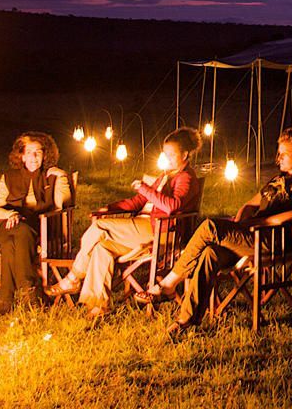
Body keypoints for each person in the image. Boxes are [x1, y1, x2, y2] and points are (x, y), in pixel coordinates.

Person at [134, 127, 292, 334]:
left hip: (276, 239)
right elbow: (250, 205)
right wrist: (239, 223)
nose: (279, 157)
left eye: (284, 153)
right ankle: (185, 321)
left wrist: (262, 223)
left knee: (209, 227)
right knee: (209, 254)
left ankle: (168, 285)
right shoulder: (277, 181)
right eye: (279, 152)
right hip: (253, 236)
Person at [44, 127, 201, 317]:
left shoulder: (186, 177)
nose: (166, 158)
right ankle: (97, 307)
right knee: (102, 248)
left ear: (185, 154)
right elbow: (138, 202)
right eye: (164, 153)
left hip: (162, 233)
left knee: (100, 226)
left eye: (171, 154)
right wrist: (111, 208)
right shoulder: (166, 175)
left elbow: (173, 206)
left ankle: (73, 277)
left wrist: (145, 189)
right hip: (146, 229)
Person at [0, 132, 72, 313]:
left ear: (45, 155)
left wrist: (60, 176)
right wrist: (11, 215)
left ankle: (5, 299)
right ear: (22, 156)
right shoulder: (9, 177)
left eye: (38, 153)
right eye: (29, 152)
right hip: (5, 226)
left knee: (10, 245)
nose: (33, 157)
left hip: (34, 228)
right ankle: (28, 292)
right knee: (19, 231)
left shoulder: (52, 176)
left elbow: (61, 205)